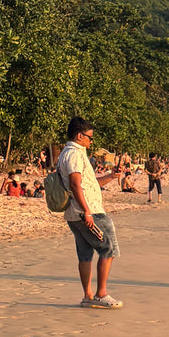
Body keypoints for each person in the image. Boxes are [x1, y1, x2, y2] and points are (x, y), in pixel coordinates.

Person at [55, 117, 124, 308]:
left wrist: (111, 176)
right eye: (89, 137)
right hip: (88, 212)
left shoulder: (67, 153)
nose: (91, 141)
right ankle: (101, 294)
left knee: (85, 254)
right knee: (108, 249)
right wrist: (87, 211)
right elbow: (75, 184)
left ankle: (88, 296)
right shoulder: (74, 154)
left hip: (74, 213)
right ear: (79, 136)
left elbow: (88, 184)